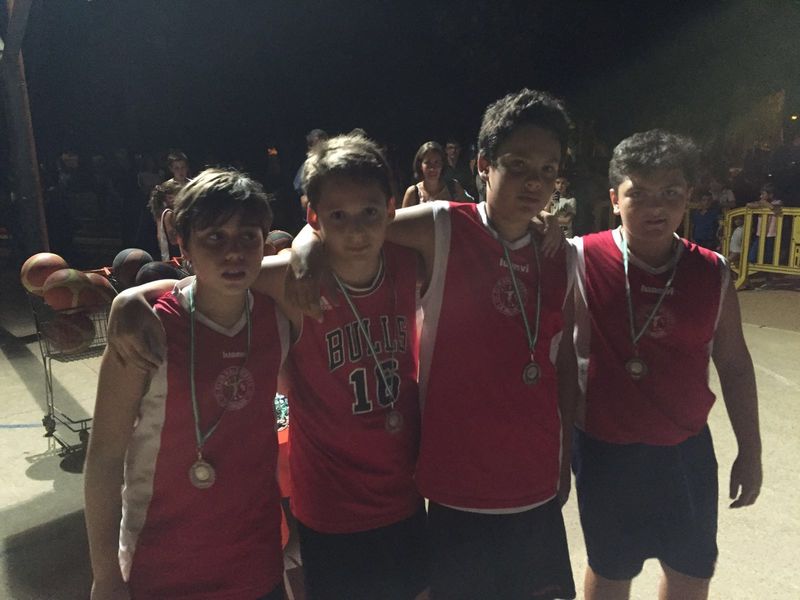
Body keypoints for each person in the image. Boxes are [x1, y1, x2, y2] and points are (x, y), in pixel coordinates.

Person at [105, 135, 429, 600]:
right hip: (331, 506)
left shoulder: (410, 261)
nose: (356, 230)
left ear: (391, 208)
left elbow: (465, 222)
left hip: (404, 491)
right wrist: (131, 297)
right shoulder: (287, 281)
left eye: (369, 213)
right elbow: (215, 278)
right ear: (313, 215)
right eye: (337, 216)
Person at [289, 88, 577, 600]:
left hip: (534, 483)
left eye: (547, 169)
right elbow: (354, 222)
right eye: (517, 165)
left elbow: (565, 364)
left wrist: (566, 455)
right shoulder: (443, 226)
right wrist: (305, 246)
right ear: (483, 164)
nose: (534, 182)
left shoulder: (563, 253)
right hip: (455, 489)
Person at [570, 130, 762, 600]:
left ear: (688, 196)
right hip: (604, 450)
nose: (655, 207)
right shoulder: (580, 257)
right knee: (610, 570)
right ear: (614, 199)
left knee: (691, 572)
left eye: (670, 192)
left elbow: (734, 364)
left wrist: (751, 450)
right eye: (639, 193)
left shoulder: (712, 271)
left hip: (684, 449)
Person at [84, 169, 286, 599]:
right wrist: (105, 575)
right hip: (163, 570)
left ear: (265, 244)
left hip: (257, 562)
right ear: (183, 244)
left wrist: (127, 295)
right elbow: (104, 457)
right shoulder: (147, 330)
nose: (234, 252)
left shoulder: (279, 316)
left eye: (247, 237)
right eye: (214, 237)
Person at [401, 141, 469, 207]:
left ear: (442, 164)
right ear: (420, 165)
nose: (432, 168)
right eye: (427, 163)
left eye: (436, 162)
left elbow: (469, 210)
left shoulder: (454, 188)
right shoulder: (413, 193)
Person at [293, 128, 329, 214]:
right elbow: (299, 187)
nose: (320, 147)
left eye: (323, 144)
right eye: (317, 144)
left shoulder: (333, 161)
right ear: (310, 147)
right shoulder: (308, 164)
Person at [746, 183, 783, 264]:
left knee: (768, 255)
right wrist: (762, 203)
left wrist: (765, 204)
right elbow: (748, 205)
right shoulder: (761, 202)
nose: (760, 196)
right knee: (753, 255)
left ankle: (766, 268)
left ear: (771, 195)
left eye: (763, 194)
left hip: (772, 233)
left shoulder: (778, 202)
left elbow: (776, 208)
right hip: (760, 232)